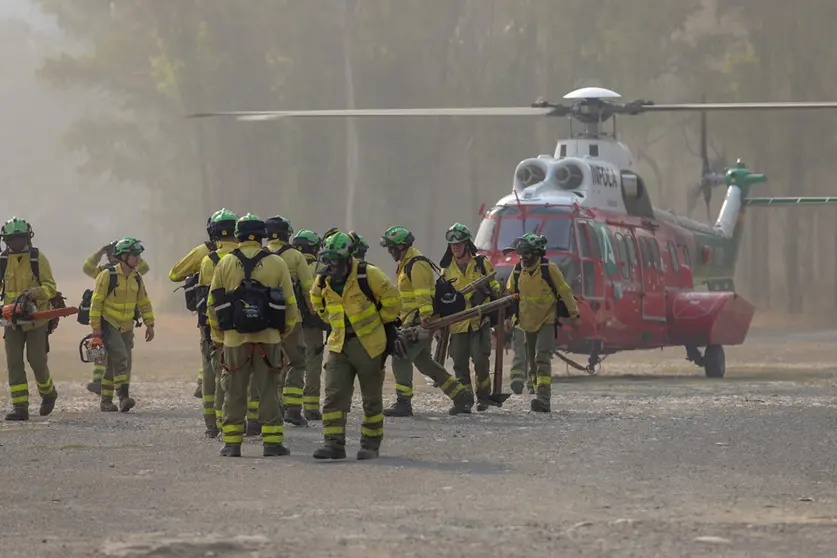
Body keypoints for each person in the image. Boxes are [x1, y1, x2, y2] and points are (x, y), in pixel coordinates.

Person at [208, 214, 300, 457]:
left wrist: (219, 336)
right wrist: (282, 333)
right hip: (269, 339)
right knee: (270, 389)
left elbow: (212, 303)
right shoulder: (277, 263)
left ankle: (232, 444)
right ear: (262, 236)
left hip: (234, 340)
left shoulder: (225, 263)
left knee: (234, 392)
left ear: (238, 235)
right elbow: (291, 305)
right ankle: (272, 443)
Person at [309, 232, 401, 460]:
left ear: (348, 257)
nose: (333, 265)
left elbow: (394, 301)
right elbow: (316, 302)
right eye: (329, 260)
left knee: (371, 399)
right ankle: (333, 445)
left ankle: (370, 445)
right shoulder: (323, 280)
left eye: (337, 261)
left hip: (369, 346)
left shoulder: (368, 275)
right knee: (333, 396)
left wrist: (380, 321)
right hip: (339, 345)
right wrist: (332, 322)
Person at [379, 226, 473, 417]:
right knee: (425, 364)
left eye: (392, 248)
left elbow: (423, 294)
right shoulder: (406, 263)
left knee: (401, 355)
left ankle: (403, 402)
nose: (390, 252)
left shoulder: (416, 263)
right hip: (411, 319)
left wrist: (424, 322)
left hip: (419, 320)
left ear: (401, 246)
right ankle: (462, 396)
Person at [504, 233, 580, 413]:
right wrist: (508, 318)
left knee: (542, 357)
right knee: (532, 361)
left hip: (546, 320)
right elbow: (509, 296)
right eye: (521, 255)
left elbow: (565, 292)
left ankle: (544, 398)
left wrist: (574, 314)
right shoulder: (517, 271)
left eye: (527, 254)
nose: (523, 258)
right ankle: (537, 389)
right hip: (526, 322)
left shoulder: (549, 269)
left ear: (536, 254)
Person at [1, 217, 59, 421]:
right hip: (12, 322)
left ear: (27, 237)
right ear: (6, 240)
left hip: (37, 320)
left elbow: (51, 288)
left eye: (20, 238)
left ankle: (49, 393)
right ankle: (20, 407)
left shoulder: (37, 258)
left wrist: (35, 292)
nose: (16, 242)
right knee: (14, 363)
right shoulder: (2, 261)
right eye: (12, 239)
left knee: (36, 360)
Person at [439, 223, 501, 411]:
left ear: (467, 244)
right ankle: (464, 400)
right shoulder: (446, 270)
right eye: (452, 245)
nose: (455, 247)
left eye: (458, 244)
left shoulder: (482, 264)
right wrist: (439, 328)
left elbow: (496, 290)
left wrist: (487, 291)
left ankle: (483, 396)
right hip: (457, 324)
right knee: (459, 363)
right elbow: (440, 301)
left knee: (481, 360)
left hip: (478, 321)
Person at [90, 238, 155, 413]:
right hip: (108, 324)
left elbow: (144, 302)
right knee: (121, 358)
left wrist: (150, 324)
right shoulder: (107, 275)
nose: (138, 258)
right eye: (135, 255)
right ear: (124, 256)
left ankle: (105, 402)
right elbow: (96, 303)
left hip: (127, 327)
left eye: (139, 254)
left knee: (112, 364)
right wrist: (96, 329)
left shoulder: (136, 278)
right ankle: (123, 397)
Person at [169, 212, 224, 399]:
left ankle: (207, 390)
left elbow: (174, 274)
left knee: (209, 354)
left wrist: (195, 274)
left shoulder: (202, 252)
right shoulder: (242, 251)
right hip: (238, 315)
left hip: (207, 314)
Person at [265, 216, 313, 426]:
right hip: (292, 319)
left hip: (264, 321)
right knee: (297, 361)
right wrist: (315, 311)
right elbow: (308, 288)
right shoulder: (295, 256)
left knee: (271, 364)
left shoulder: (261, 255)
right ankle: (292, 409)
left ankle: (272, 408)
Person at [195, 209, 239, 438]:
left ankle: (212, 423)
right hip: (242, 324)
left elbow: (205, 294)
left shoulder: (208, 259)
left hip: (212, 325)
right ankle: (243, 420)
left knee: (211, 372)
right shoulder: (247, 256)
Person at [292, 228, 330, 419]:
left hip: (289, 324)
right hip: (313, 325)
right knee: (312, 363)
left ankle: (286, 405)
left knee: (289, 364)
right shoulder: (320, 268)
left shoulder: (285, 263)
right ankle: (311, 408)